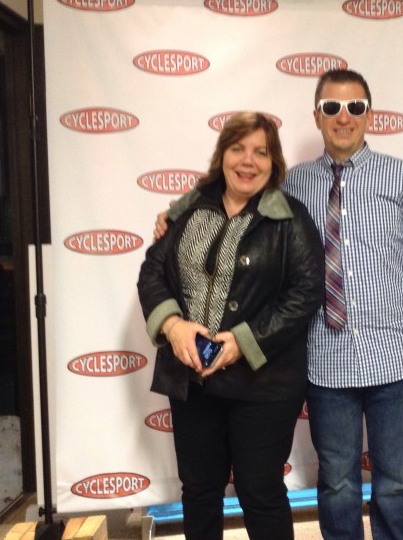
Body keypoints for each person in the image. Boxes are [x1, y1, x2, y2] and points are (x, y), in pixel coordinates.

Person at [155, 69, 403, 540]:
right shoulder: (291, 186)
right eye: (332, 107)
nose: (343, 117)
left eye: (355, 107)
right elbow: (231, 195)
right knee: (336, 484)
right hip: (325, 363)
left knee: (395, 485)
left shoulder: (400, 177)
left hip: (395, 360)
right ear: (317, 116)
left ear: (370, 115)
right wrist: (174, 213)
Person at [137, 112, 325, 540]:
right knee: (199, 492)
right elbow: (152, 271)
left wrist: (244, 342)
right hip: (193, 379)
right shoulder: (188, 208)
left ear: (274, 162)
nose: (248, 161)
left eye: (261, 152)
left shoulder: (290, 218)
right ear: (222, 154)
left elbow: (306, 292)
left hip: (264, 385)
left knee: (260, 492)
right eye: (238, 148)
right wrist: (173, 326)